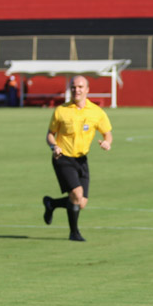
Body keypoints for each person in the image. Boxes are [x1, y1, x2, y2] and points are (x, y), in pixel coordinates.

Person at [42, 76, 113, 241]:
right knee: (77, 193)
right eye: (74, 87)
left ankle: (51, 203)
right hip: (62, 157)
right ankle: (74, 233)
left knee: (81, 203)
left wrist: (107, 143)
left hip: (82, 159)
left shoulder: (96, 112)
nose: (77, 90)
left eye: (81, 87)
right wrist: (54, 147)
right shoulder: (61, 110)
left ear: (87, 90)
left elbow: (107, 133)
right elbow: (50, 135)